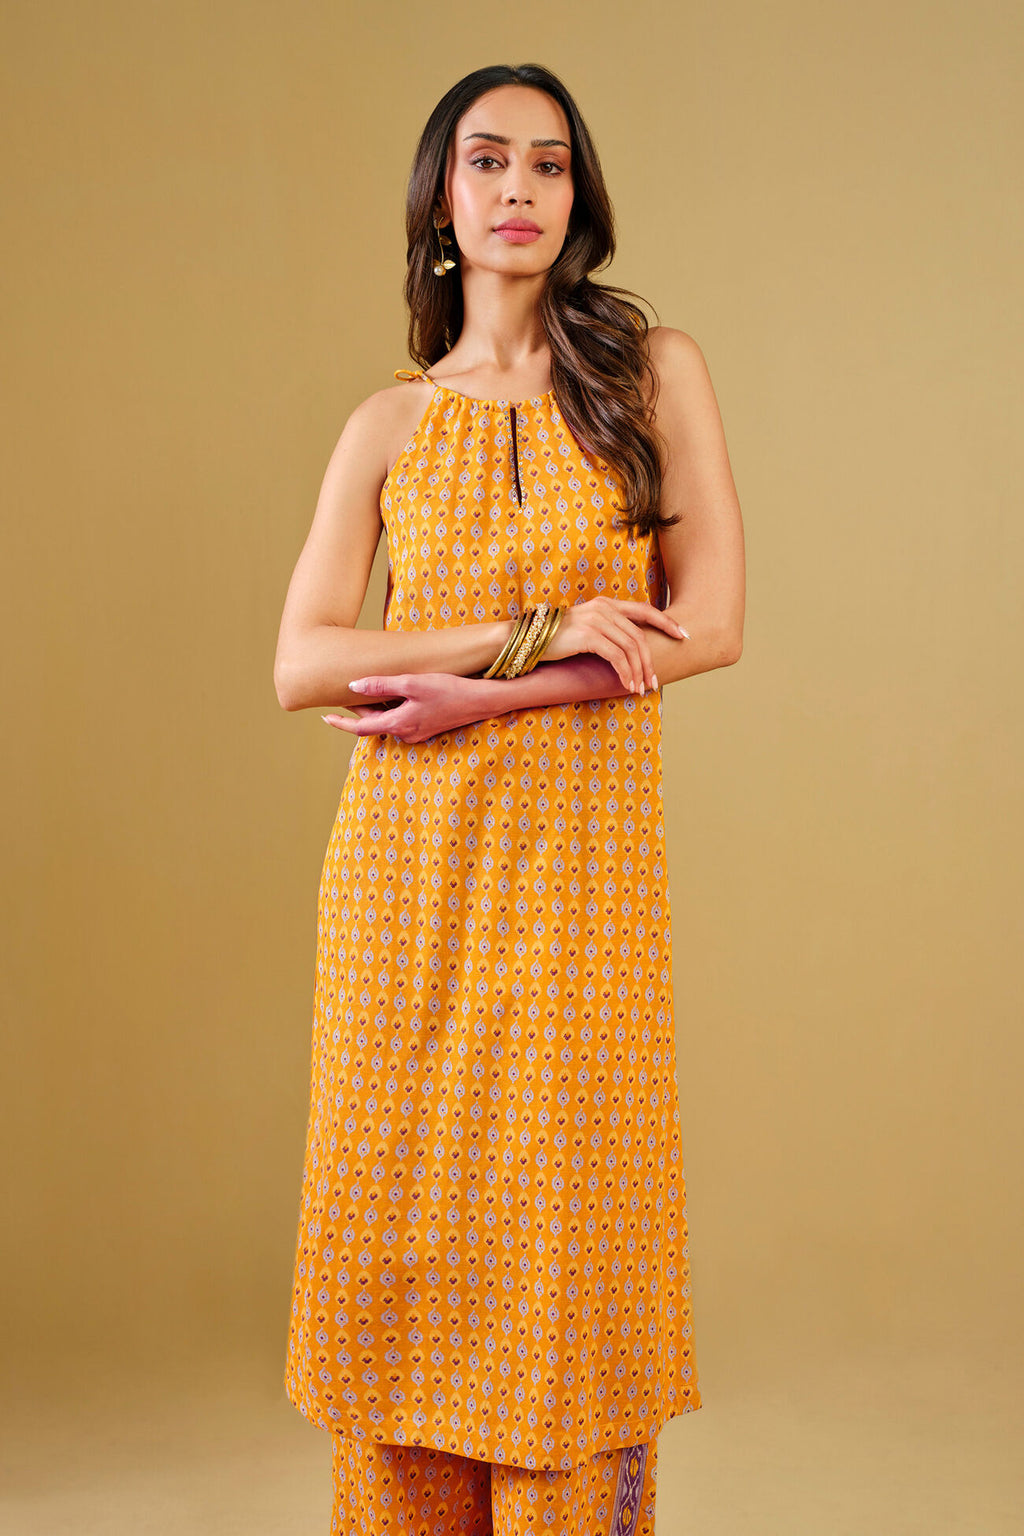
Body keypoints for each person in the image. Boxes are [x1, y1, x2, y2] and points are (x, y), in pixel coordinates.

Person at [274, 60, 745, 1536]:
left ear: (578, 199)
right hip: (406, 890)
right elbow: (302, 661)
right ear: (442, 203)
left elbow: (711, 622)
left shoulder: (649, 372)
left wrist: (491, 696)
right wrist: (510, 641)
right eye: (489, 162)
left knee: (561, 1248)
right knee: (404, 1231)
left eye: (549, 165)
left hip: (577, 886)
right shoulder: (390, 426)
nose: (520, 190)